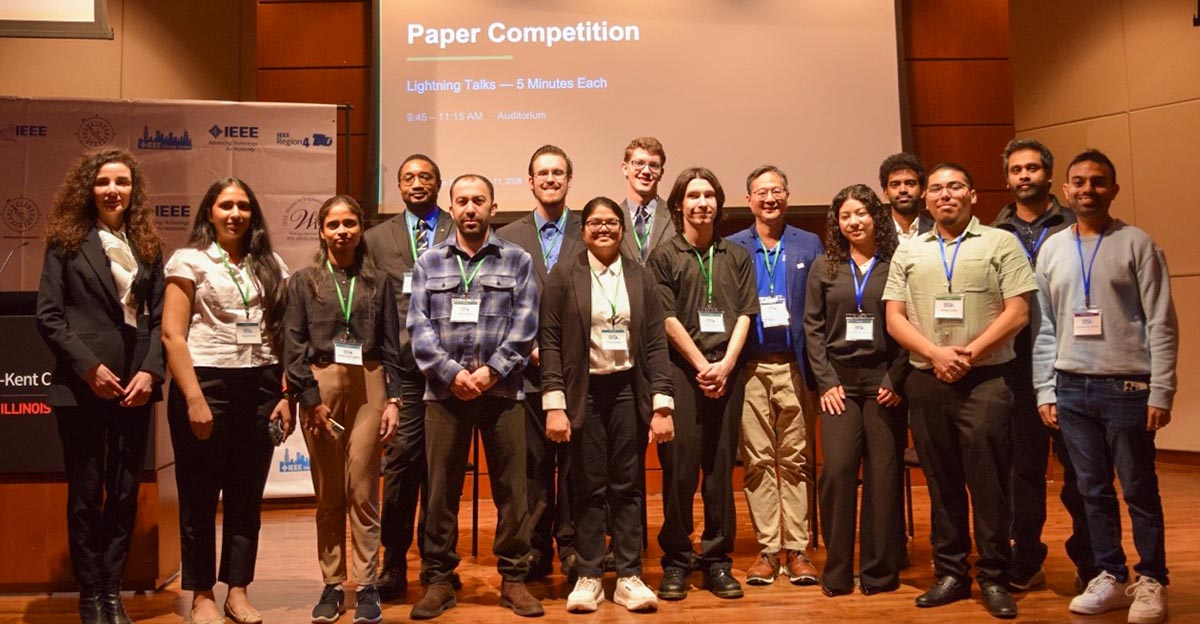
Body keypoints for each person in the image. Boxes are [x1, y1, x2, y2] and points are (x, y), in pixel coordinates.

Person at [882, 162, 1036, 619]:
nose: (944, 195)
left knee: (988, 481)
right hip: (928, 381)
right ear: (926, 200)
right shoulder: (909, 251)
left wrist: (966, 354)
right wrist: (936, 354)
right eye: (936, 189)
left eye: (954, 187)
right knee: (941, 479)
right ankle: (950, 572)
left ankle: (993, 575)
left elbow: (1018, 312)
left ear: (972, 195)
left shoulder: (1000, 242)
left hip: (986, 379)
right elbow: (894, 317)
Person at [1033, 150, 1177, 624]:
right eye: (1079, 182)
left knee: (1138, 487)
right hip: (1071, 387)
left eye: (1098, 182)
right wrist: (1045, 388)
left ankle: (1151, 578)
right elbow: (1045, 326)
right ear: (1066, 189)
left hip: (1128, 386)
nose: (1087, 190)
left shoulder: (1137, 243)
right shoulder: (1052, 247)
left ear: (1113, 189)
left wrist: (1162, 389)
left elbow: (1161, 322)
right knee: (1091, 489)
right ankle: (1110, 576)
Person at [36, 147, 165, 624]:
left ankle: (113, 591)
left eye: (123, 182)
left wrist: (150, 372)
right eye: (103, 181)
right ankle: (90, 595)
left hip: (135, 388)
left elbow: (157, 321)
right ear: (87, 189)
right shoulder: (66, 242)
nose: (113, 189)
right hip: (83, 387)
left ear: (134, 190)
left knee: (127, 491)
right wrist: (90, 368)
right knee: (87, 493)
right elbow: (49, 317)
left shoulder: (149, 246)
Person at [408, 174, 542, 619]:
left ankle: (514, 578)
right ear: (451, 207)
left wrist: (490, 372)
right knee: (442, 490)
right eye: (462, 201)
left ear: (492, 207)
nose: (470, 208)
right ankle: (440, 579)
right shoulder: (429, 262)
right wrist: (451, 373)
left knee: (512, 490)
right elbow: (418, 327)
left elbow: (525, 327)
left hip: (502, 391)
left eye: (478, 201)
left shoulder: (517, 260)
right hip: (443, 394)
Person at [161, 177, 291, 624]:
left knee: (245, 497)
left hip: (260, 387)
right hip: (206, 385)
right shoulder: (189, 260)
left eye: (243, 206)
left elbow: (284, 336)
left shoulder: (271, 263)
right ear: (209, 212)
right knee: (198, 497)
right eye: (225, 206)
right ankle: (201, 595)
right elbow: (172, 336)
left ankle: (238, 590)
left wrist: (285, 394)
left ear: (253, 213)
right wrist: (195, 399)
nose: (234, 214)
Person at [540, 196, 675, 613]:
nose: (604, 229)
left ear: (622, 228)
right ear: (583, 231)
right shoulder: (564, 275)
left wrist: (662, 404)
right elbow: (549, 343)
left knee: (628, 486)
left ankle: (630, 575)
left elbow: (654, 342)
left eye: (612, 222)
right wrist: (554, 405)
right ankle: (588, 576)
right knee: (587, 486)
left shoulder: (640, 275)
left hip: (626, 392)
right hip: (584, 394)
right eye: (595, 223)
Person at [284, 195, 400, 624]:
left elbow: (391, 345)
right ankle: (333, 585)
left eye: (350, 223)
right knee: (329, 492)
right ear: (321, 231)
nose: (342, 231)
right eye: (333, 224)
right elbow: (292, 346)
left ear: (360, 229)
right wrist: (309, 401)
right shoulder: (303, 281)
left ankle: (367, 585)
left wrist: (395, 400)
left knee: (362, 491)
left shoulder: (379, 281)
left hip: (369, 384)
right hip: (321, 383)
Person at [648, 167, 757, 601]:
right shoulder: (664, 255)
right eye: (693, 196)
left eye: (709, 195)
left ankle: (716, 560)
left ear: (718, 203)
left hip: (726, 373)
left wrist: (727, 365)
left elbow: (747, 313)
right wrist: (701, 365)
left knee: (718, 472)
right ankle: (676, 560)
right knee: (678, 473)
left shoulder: (736, 256)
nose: (702, 203)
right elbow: (666, 316)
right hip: (681, 375)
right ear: (679, 205)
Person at [989, 138, 1092, 592]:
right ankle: (1026, 558)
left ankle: (1092, 562)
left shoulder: (1077, 225)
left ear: (1050, 176)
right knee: (1023, 472)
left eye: (1032, 168)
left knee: (1081, 473)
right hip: (1013, 368)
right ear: (1007, 178)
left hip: (1072, 366)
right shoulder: (994, 232)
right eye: (1016, 170)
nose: (1024, 176)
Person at [803, 184, 907, 596]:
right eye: (846, 216)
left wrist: (896, 377)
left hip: (885, 381)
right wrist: (826, 382)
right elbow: (811, 328)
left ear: (874, 217)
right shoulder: (824, 267)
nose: (854, 221)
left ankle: (879, 572)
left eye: (861, 213)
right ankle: (838, 571)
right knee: (839, 471)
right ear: (837, 222)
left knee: (884, 475)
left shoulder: (897, 263)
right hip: (839, 385)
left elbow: (910, 323)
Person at [727, 166, 823, 586]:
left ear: (787, 195)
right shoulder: (733, 247)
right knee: (759, 460)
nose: (770, 198)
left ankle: (798, 549)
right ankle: (768, 549)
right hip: (749, 367)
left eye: (777, 191)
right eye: (761, 192)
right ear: (748, 199)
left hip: (795, 365)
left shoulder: (809, 243)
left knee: (796, 458)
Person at [364, 154, 455, 599]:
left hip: (451, 369)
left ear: (439, 183)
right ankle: (394, 561)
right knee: (401, 466)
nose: (417, 183)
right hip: (403, 370)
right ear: (398, 186)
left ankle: (439, 564)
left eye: (425, 176)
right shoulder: (376, 238)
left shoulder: (462, 227)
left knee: (444, 469)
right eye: (408, 177)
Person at [496, 144, 584, 582]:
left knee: (573, 467)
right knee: (531, 467)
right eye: (542, 173)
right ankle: (534, 548)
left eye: (558, 173)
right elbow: (500, 304)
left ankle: (571, 546)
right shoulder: (508, 237)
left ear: (570, 179)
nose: (550, 179)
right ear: (529, 181)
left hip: (578, 373)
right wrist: (531, 350)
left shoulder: (592, 229)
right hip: (523, 372)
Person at [618, 137, 675, 263]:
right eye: (638, 163)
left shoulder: (676, 217)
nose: (646, 171)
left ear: (661, 173)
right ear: (625, 168)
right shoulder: (613, 218)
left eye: (654, 165)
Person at [878, 153, 933, 241]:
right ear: (886, 193)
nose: (903, 190)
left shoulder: (936, 230)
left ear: (923, 191)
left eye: (910, 183)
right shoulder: (876, 232)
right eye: (895, 184)